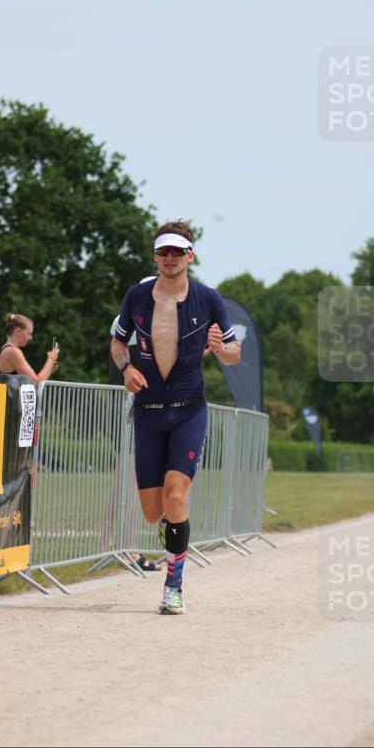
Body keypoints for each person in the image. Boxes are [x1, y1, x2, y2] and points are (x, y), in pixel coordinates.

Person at [111, 220, 241, 614]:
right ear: (155, 256)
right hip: (148, 413)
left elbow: (235, 353)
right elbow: (118, 341)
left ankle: (174, 585)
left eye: (177, 252)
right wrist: (125, 369)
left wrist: (220, 349)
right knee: (155, 511)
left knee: (175, 493)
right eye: (163, 252)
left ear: (190, 256)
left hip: (188, 412)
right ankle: (178, 529)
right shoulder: (137, 297)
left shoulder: (208, 299)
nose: (169, 258)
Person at [0, 313, 60, 384]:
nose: (30, 338)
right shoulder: (14, 352)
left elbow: (36, 384)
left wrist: (50, 370)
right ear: (18, 331)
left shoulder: (1, 351)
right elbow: (35, 383)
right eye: (29, 333)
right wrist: (51, 358)